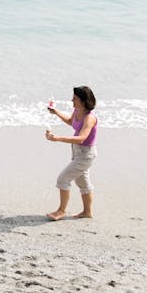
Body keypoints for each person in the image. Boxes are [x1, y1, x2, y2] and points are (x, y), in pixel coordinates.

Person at [45, 86, 97, 220]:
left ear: (83, 100)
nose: (72, 100)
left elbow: (81, 138)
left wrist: (57, 138)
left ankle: (61, 211)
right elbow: (70, 121)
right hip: (77, 152)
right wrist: (56, 112)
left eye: (75, 98)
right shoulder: (77, 110)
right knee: (83, 183)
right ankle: (87, 212)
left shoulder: (89, 118)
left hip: (86, 155)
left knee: (63, 179)